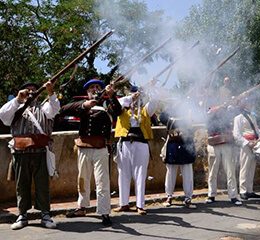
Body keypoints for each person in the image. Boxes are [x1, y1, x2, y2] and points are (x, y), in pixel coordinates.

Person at [0, 81, 60, 230]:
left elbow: (54, 109)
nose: (31, 92)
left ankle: (45, 214)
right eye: (28, 89)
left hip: (40, 152)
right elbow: (3, 116)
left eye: (34, 89)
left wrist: (51, 93)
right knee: (21, 185)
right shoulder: (15, 107)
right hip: (21, 152)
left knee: (43, 185)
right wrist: (18, 100)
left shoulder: (44, 106)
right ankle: (22, 215)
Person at [62, 79, 121, 226]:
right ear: (87, 92)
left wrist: (112, 95)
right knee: (83, 180)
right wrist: (84, 105)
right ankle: (82, 207)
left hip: (100, 148)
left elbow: (119, 112)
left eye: (97, 87)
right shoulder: (83, 106)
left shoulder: (106, 105)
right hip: (83, 148)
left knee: (102, 181)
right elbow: (63, 109)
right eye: (91, 88)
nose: (94, 89)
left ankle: (104, 211)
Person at [113, 85, 157, 215]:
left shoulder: (145, 108)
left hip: (141, 142)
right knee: (123, 174)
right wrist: (131, 97)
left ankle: (140, 205)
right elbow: (118, 103)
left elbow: (153, 105)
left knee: (140, 174)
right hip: (125, 142)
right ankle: (123, 203)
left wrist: (151, 92)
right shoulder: (122, 106)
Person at [205, 102, 242, 206]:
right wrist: (217, 108)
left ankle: (233, 196)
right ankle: (211, 194)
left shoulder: (226, 114)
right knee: (212, 171)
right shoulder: (210, 113)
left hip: (226, 144)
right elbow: (208, 117)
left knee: (230, 171)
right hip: (214, 144)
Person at [159, 109, 197, 208]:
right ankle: (169, 196)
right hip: (173, 145)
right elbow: (162, 118)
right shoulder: (170, 112)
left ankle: (188, 197)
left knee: (187, 174)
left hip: (186, 146)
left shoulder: (189, 110)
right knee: (170, 173)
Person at [233, 97, 260, 200]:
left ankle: (250, 190)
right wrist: (246, 143)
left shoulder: (252, 116)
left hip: (255, 143)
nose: (251, 104)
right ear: (244, 105)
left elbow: (256, 130)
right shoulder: (238, 118)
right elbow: (236, 134)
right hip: (246, 144)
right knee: (245, 168)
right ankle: (242, 191)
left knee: (252, 168)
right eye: (249, 103)